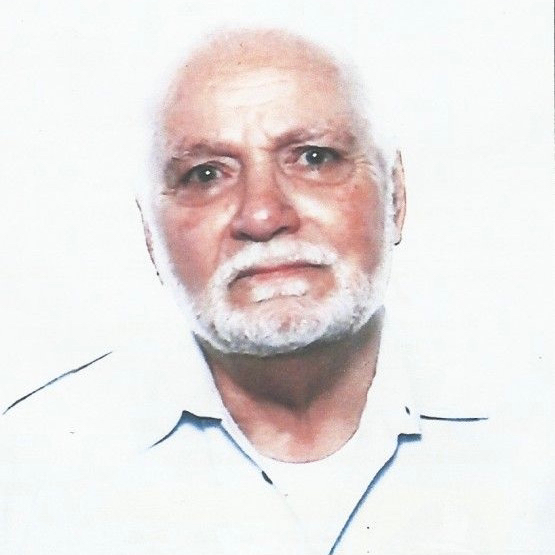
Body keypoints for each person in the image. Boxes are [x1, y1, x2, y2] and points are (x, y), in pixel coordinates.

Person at [1, 28, 550, 555]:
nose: (262, 215)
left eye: (314, 157)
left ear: (396, 197)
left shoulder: (534, 427)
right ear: (149, 234)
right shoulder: (33, 469)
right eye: (206, 174)